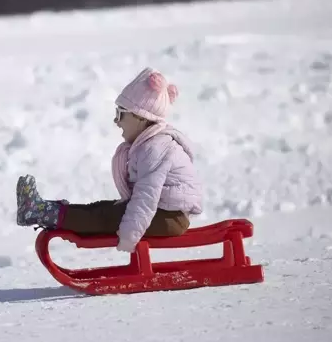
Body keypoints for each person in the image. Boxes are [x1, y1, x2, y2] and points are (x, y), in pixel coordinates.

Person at [15, 67, 203, 253]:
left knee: (105, 216)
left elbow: (146, 196)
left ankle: (41, 212)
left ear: (141, 117)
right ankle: (44, 209)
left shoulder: (155, 148)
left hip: (170, 218)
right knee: (102, 208)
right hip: (164, 214)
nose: (116, 121)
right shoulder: (149, 144)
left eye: (121, 113)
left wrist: (129, 237)